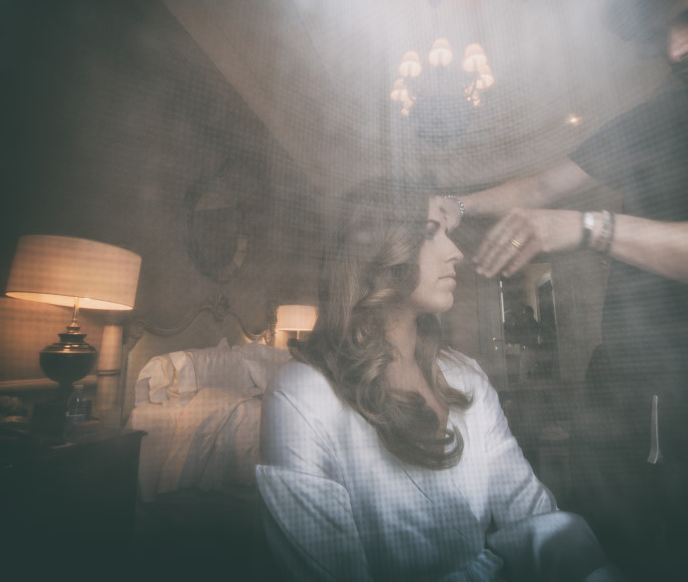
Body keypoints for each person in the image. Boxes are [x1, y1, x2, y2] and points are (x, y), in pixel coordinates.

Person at [439, 0, 688, 580]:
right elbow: (540, 188)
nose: (677, 49)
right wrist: (452, 204)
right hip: (622, 395)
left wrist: (594, 227)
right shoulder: (660, 117)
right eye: (659, 34)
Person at [256, 180, 624, 581]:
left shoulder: (466, 377)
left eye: (447, 233)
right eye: (431, 232)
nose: (456, 252)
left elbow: (534, 515)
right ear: (379, 250)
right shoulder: (303, 394)